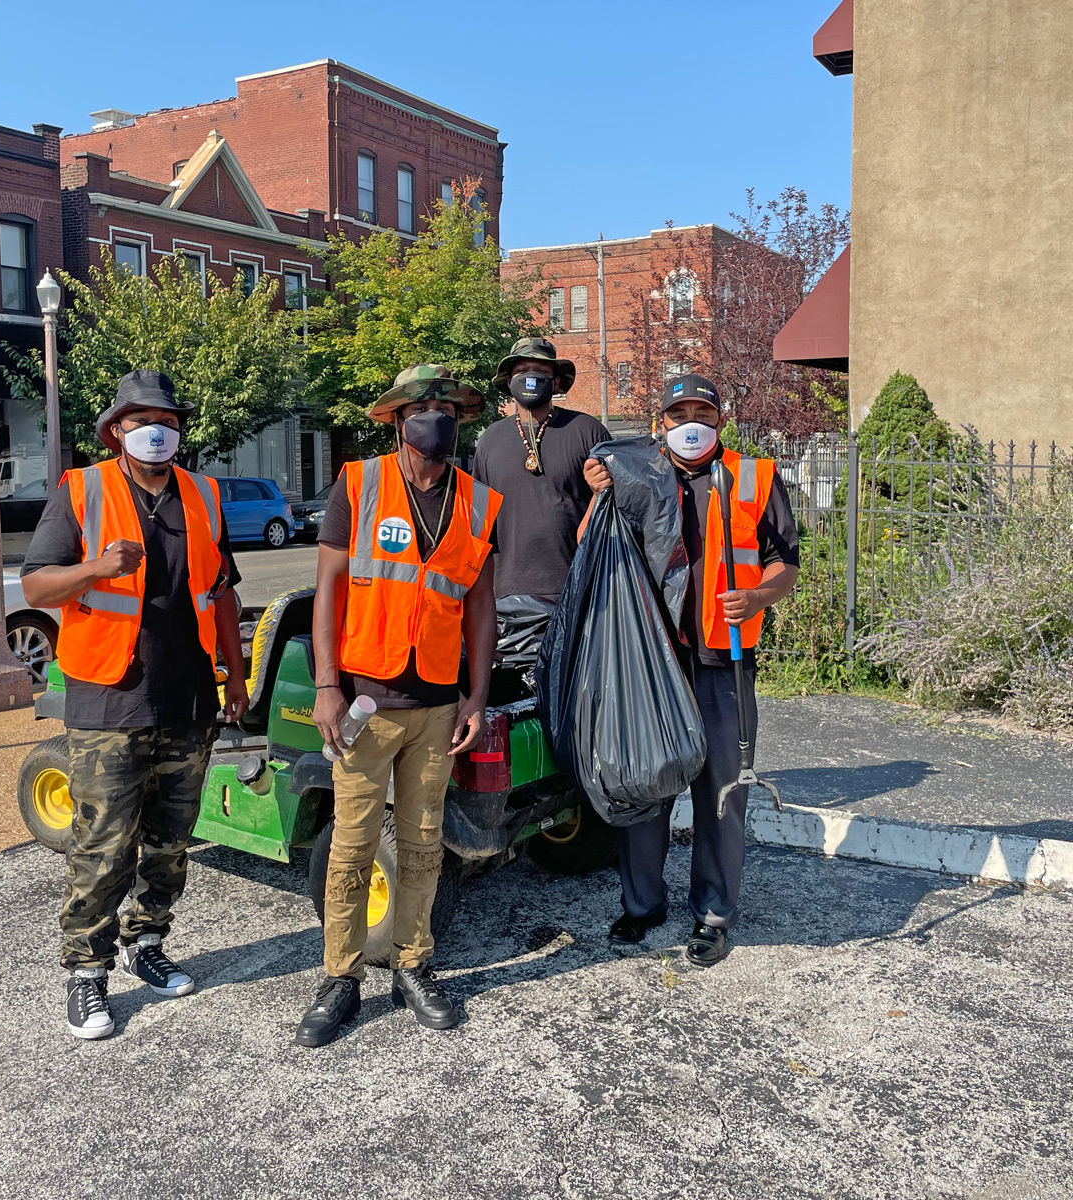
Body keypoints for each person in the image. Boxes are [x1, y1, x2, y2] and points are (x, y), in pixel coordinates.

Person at [21, 369, 249, 1039]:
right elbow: (37, 585)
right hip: (109, 702)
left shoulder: (203, 494)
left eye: (170, 419)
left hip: (188, 698)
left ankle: (146, 945)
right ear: (116, 429)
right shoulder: (80, 491)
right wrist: (95, 569)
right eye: (142, 419)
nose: (158, 430)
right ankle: (87, 974)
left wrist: (235, 676)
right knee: (103, 847)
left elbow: (223, 592)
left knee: (172, 843)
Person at [297, 364, 502, 1048]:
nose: (436, 415)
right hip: (365, 700)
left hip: (438, 703)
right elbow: (328, 590)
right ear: (396, 419)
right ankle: (340, 978)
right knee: (353, 846)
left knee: (420, 845)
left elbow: (479, 607)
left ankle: (414, 964)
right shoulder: (356, 486)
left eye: (447, 406)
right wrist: (327, 685)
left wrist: (476, 694)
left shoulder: (477, 500)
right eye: (422, 406)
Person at [582, 374, 799, 965]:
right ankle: (643, 904)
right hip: (653, 662)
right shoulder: (634, 475)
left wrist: (758, 598)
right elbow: (590, 544)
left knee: (722, 790)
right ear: (662, 424)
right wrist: (599, 492)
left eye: (702, 411)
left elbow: (785, 562)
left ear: (721, 420)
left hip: (723, 661)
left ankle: (713, 914)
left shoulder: (754, 477)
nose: (690, 422)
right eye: (679, 414)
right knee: (645, 780)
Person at [473, 337, 610, 601]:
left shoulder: (588, 431)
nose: (530, 379)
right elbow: (480, 523)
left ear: (556, 383)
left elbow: (613, 510)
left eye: (541, 372)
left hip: (578, 588)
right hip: (506, 592)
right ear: (509, 381)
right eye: (522, 372)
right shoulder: (491, 438)